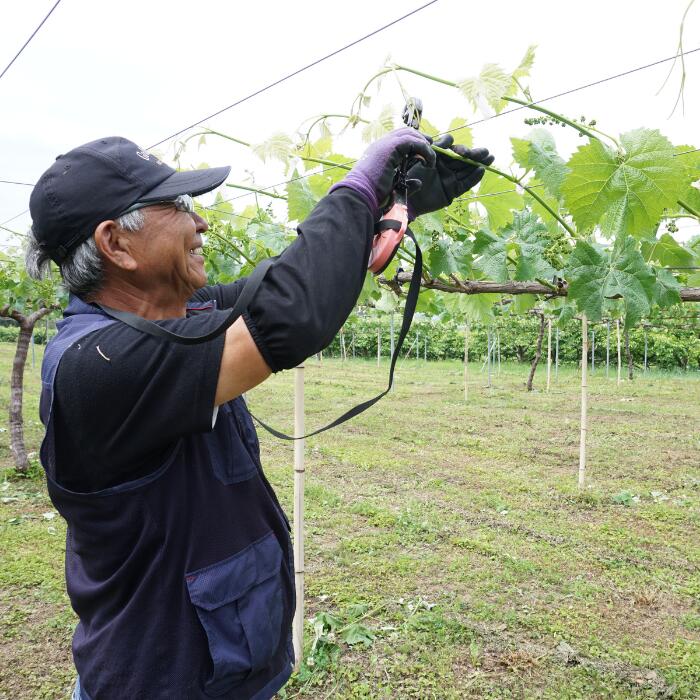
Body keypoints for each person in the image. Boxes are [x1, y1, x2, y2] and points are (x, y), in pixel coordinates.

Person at [25, 129, 493, 699]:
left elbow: (287, 281)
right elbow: (289, 314)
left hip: (219, 667)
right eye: (180, 205)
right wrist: (359, 187)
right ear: (116, 244)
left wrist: (395, 207)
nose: (201, 222)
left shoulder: (175, 316)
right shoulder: (97, 365)